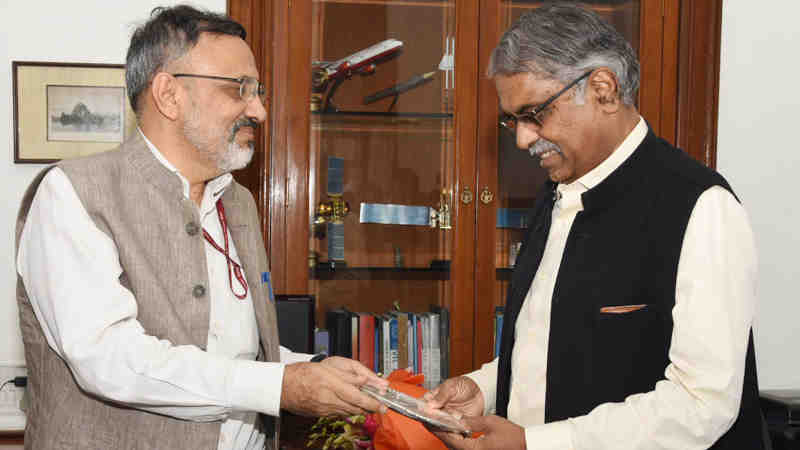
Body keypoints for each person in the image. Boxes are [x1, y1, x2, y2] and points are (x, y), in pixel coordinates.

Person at [15, 5, 386, 450]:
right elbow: (108, 359)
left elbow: (236, 354)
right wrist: (282, 385)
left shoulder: (239, 201)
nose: (260, 111)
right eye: (240, 89)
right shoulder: (72, 193)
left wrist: (316, 370)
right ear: (169, 94)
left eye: (258, 90)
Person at [427, 4, 764, 450]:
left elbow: (700, 404)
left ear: (602, 89)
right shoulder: (557, 192)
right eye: (514, 120)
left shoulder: (701, 206)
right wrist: (486, 388)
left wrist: (533, 444)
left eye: (534, 113)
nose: (522, 139)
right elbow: (557, 344)